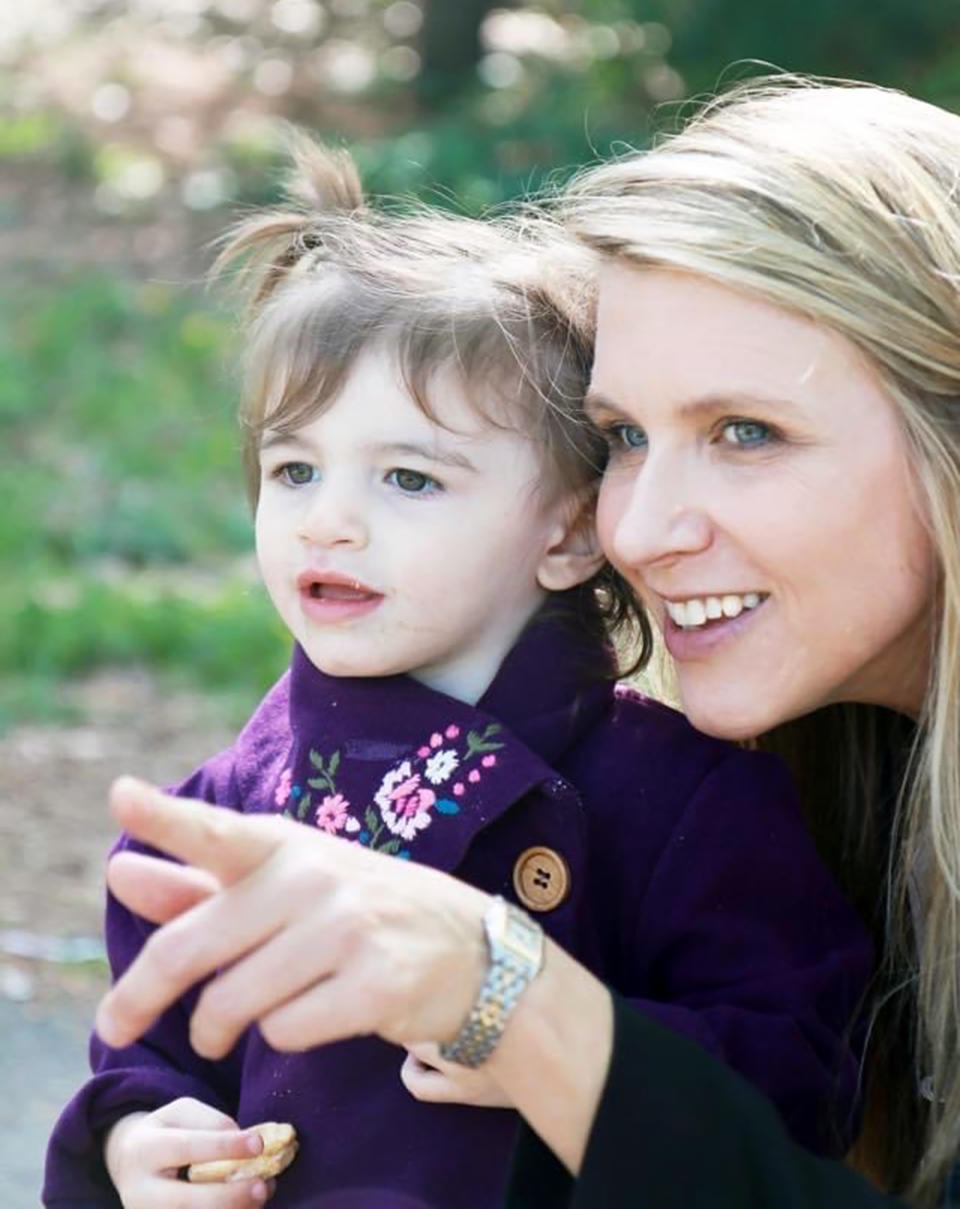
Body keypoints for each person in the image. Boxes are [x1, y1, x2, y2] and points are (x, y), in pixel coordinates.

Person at [44, 127, 881, 1209]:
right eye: (293, 469)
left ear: (571, 533)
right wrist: (135, 1145)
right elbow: (147, 1057)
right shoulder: (220, 813)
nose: (327, 523)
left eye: (410, 480)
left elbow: (799, 1080)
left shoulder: (686, 799)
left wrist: (546, 1040)